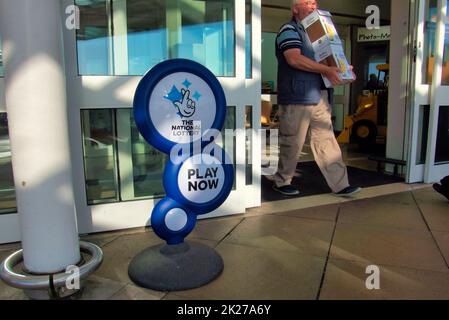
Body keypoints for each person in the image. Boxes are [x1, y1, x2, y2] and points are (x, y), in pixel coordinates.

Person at [272, 0, 361, 197]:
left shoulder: (318, 35)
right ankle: (282, 181)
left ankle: (340, 184)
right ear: (295, 9)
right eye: (307, 3)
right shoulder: (288, 29)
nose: (313, 6)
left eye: (314, 3)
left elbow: (330, 63)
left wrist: (343, 70)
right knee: (292, 141)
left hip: (320, 94)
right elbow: (293, 58)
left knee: (326, 140)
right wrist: (328, 69)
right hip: (297, 96)